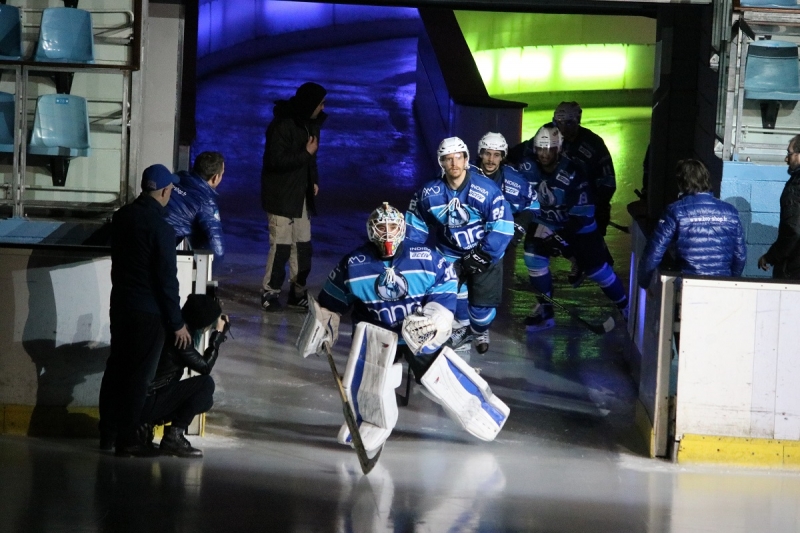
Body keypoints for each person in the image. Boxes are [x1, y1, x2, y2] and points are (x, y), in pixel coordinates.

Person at [297, 203, 509, 460]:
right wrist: (324, 325)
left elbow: (446, 281)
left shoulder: (425, 256)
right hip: (378, 334)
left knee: (440, 378)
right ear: (371, 230)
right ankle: (371, 423)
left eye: (392, 226)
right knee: (370, 383)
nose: (387, 233)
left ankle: (481, 408)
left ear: (402, 228)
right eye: (381, 227)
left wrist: (436, 318)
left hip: (417, 332)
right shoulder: (353, 264)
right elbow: (330, 303)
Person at [98, 164, 192, 457]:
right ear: (164, 192)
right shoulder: (162, 229)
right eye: (170, 190)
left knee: (116, 369)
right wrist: (177, 322)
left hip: (120, 306)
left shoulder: (122, 217)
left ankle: (108, 434)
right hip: (148, 313)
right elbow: (167, 281)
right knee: (139, 378)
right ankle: (129, 439)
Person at [405, 137, 514, 354]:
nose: (454, 163)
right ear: (441, 162)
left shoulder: (487, 189)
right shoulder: (429, 193)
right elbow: (414, 226)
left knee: (481, 314)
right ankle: (462, 329)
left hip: (485, 253)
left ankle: (477, 329)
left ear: (466, 160)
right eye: (448, 159)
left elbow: (503, 227)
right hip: (449, 254)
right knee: (451, 299)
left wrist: (482, 254)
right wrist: (412, 258)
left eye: (458, 158)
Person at [519, 124, 628, 331]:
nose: (544, 154)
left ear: (559, 149)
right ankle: (545, 309)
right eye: (540, 148)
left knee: (598, 270)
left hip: (579, 227)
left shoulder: (573, 172)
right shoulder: (527, 165)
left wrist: (561, 241)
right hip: (546, 222)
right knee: (533, 257)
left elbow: (582, 216)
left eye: (549, 149)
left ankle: (626, 307)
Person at [260, 82, 327, 312]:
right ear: (310, 103)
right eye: (320, 103)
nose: (323, 107)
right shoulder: (282, 125)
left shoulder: (312, 124)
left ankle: (297, 292)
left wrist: (313, 180)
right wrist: (305, 153)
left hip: (301, 195)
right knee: (281, 246)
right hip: (281, 196)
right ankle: (270, 292)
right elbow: (275, 161)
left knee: (303, 246)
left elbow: (312, 159)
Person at [139, 293, 230, 458]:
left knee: (205, 400)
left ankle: (148, 424)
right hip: (149, 400)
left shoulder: (172, 327)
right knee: (206, 384)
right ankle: (173, 436)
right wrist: (217, 336)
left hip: (146, 398)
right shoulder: (180, 337)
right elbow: (205, 367)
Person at [638, 159, 746, 288]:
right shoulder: (731, 212)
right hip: (722, 285)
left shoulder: (675, 210)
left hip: (688, 284)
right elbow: (740, 256)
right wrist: (731, 281)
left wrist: (643, 283)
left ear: (681, 183)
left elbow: (654, 251)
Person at [474, 132, 539, 248]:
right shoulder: (464, 173)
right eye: (487, 154)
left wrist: (520, 225)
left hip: (495, 242)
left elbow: (534, 205)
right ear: (480, 153)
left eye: (496, 155)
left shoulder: (515, 181)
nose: (491, 160)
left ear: (502, 157)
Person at [166, 151, 226, 263]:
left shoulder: (178, 177)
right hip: (168, 251)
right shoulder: (206, 202)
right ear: (215, 177)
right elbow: (218, 251)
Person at [758, 134, 800, 279]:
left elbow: (793, 230)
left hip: (794, 269)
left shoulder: (796, 185)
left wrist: (771, 256)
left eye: (789, 153)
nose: (786, 159)